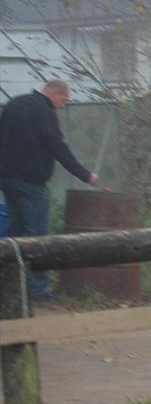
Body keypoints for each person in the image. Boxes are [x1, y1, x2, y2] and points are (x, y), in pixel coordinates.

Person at [0, 79, 101, 301]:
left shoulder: (14, 104)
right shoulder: (44, 113)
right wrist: (85, 175)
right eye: (64, 101)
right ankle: (38, 288)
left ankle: (9, 286)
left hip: (7, 179)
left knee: (16, 233)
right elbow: (58, 147)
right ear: (54, 94)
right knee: (37, 236)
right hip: (31, 183)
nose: (63, 106)